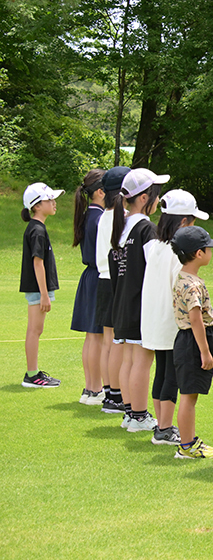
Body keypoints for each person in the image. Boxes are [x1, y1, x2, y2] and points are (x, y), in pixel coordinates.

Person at [142, 189, 210, 446]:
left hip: (153, 319)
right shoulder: (174, 252)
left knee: (161, 372)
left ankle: (162, 425)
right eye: (192, 221)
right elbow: (179, 289)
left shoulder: (156, 246)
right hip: (172, 323)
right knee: (171, 376)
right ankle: (165, 428)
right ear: (183, 222)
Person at [109, 168, 169, 432]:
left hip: (122, 303)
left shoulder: (121, 229)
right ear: (144, 198)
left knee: (129, 360)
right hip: (140, 305)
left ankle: (130, 413)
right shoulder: (146, 229)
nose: (159, 199)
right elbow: (154, 267)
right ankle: (139, 415)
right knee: (142, 361)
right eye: (156, 194)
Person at [170, 226, 213, 458]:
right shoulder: (192, 285)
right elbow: (195, 318)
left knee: (189, 395)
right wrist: (205, 351)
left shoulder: (183, 277)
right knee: (189, 397)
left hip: (188, 340)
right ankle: (187, 445)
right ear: (198, 254)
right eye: (208, 248)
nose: (212, 252)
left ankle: (188, 441)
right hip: (193, 341)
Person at [20, 182, 65, 388]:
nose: (54, 203)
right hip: (38, 289)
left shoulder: (37, 228)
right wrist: (44, 294)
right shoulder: (37, 230)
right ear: (36, 205)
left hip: (38, 289)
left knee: (36, 330)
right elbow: (37, 263)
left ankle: (33, 372)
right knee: (35, 330)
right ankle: (32, 375)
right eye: (49, 200)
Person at [96, 166, 130, 413]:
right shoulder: (124, 216)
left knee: (109, 341)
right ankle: (117, 395)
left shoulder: (103, 216)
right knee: (118, 342)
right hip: (116, 281)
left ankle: (110, 393)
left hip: (103, 280)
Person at [71, 169, 106, 403]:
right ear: (101, 192)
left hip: (89, 277)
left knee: (91, 337)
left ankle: (90, 387)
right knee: (97, 337)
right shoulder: (99, 217)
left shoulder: (88, 214)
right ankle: (94, 389)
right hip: (97, 276)